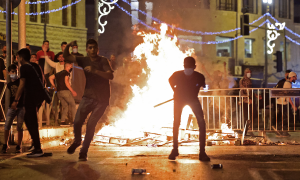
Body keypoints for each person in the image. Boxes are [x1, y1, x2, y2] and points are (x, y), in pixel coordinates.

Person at [64, 39, 113, 161]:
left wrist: (95, 71)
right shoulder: (83, 60)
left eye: (94, 48)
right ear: (86, 50)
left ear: (98, 49)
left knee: (91, 125)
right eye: (90, 48)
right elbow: (67, 56)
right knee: (77, 122)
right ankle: (77, 141)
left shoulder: (103, 61)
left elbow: (110, 75)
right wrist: (69, 45)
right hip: (88, 96)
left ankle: (83, 152)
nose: (92, 50)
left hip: (102, 99)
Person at [168, 56, 210, 161]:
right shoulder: (177, 75)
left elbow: (204, 86)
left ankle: (202, 152)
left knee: (201, 122)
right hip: (180, 100)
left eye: (189, 67)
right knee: (176, 123)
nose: (187, 69)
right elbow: (170, 81)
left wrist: (175, 90)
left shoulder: (199, 77)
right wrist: (175, 91)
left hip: (191, 99)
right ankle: (175, 150)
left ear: (194, 67)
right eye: (186, 67)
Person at [11, 48, 46, 157]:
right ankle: (36, 146)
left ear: (21, 57)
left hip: (31, 98)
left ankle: (38, 148)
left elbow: (21, 85)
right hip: (38, 98)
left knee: (31, 121)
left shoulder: (24, 68)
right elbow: (42, 80)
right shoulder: (34, 66)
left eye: (18, 58)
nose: (17, 60)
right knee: (29, 119)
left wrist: (15, 100)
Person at [1, 64, 25, 153]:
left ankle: (19, 145)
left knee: (19, 126)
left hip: (21, 106)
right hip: (11, 107)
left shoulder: (21, 82)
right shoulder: (9, 84)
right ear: (9, 72)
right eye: (13, 72)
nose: (15, 73)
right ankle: (5, 144)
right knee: (7, 125)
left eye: (16, 71)